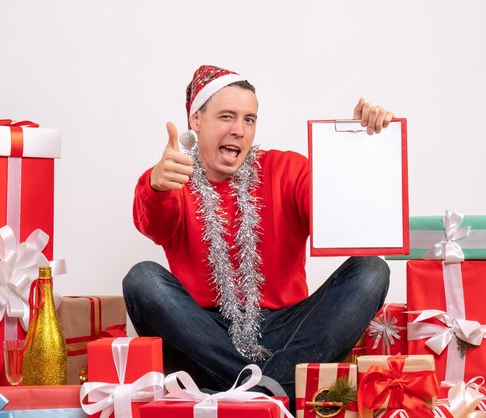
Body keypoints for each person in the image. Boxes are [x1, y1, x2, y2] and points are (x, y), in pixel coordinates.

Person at [123, 65, 392, 404]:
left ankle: (251, 395)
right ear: (196, 120)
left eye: (249, 119)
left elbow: (339, 217)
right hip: (205, 335)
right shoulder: (172, 175)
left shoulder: (288, 169)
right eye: (226, 116)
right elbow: (153, 224)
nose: (239, 130)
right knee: (141, 278)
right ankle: (277, 391)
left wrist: (354, 148)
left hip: (290, 332)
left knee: (371, 269)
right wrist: (157, 187)